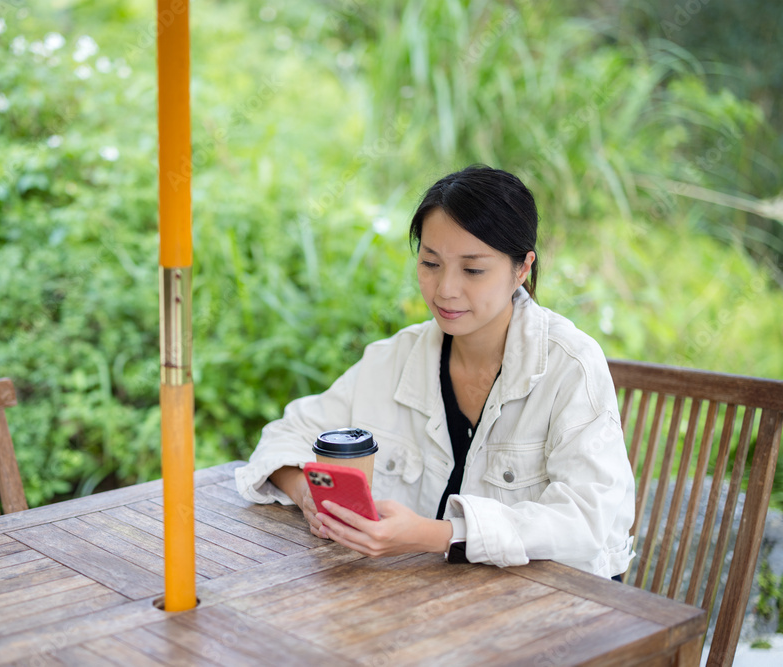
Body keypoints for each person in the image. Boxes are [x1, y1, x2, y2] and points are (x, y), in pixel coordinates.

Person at [235, 165, 635, 578]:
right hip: (428, 601)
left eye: (473, 270)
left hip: (556, 608)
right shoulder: (396, 358)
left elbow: (588, 522)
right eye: (430, 263)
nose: (445, 289)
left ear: (522, 269)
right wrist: (309, 496)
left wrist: (435, 535)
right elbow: (285, 435)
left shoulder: (571, 367)